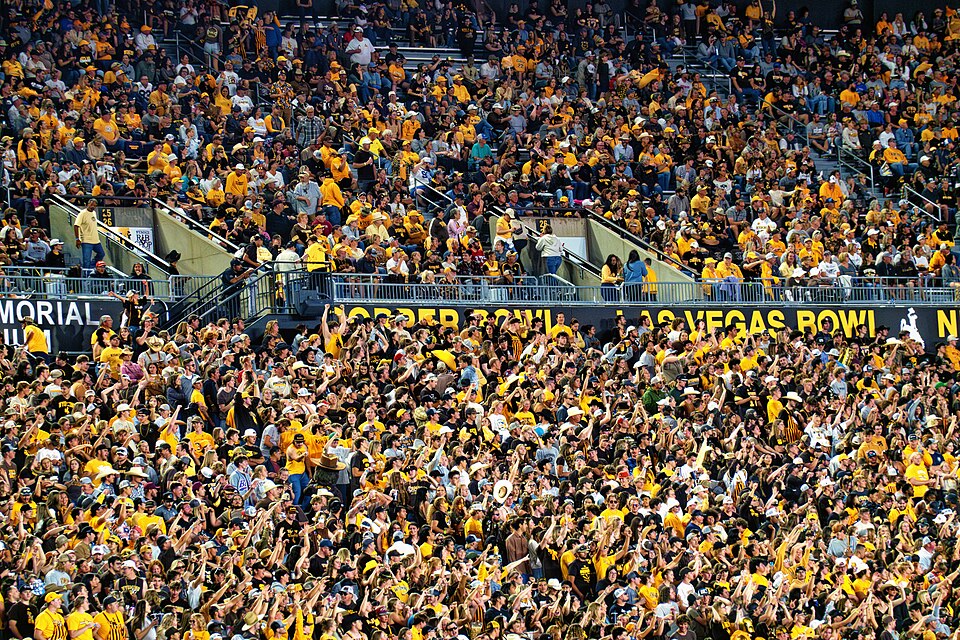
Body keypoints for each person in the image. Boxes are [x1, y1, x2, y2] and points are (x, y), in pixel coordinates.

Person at [73, 198, 105, 270]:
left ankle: (91, 267)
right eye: (91, 205)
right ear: (88, 204)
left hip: (96, 240)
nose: (92, 206)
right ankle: (86, 278)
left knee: (101, 254)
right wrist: (77, 239)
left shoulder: (94, 213)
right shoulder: (82, 213)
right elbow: (76, 226)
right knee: (86, 260)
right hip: (86, 240)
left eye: (94, 205)